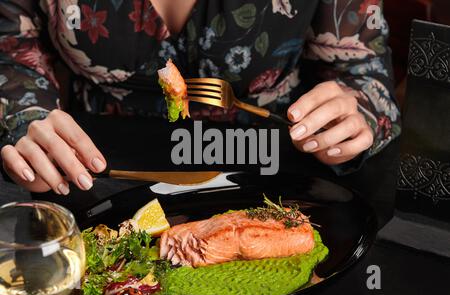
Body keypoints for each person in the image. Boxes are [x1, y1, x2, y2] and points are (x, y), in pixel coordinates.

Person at [0, 0, 400, 195]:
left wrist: (356, 113)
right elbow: (12, 56)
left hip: (274, 169)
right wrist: (24, 116)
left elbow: (364, 76)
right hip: (98, 176)